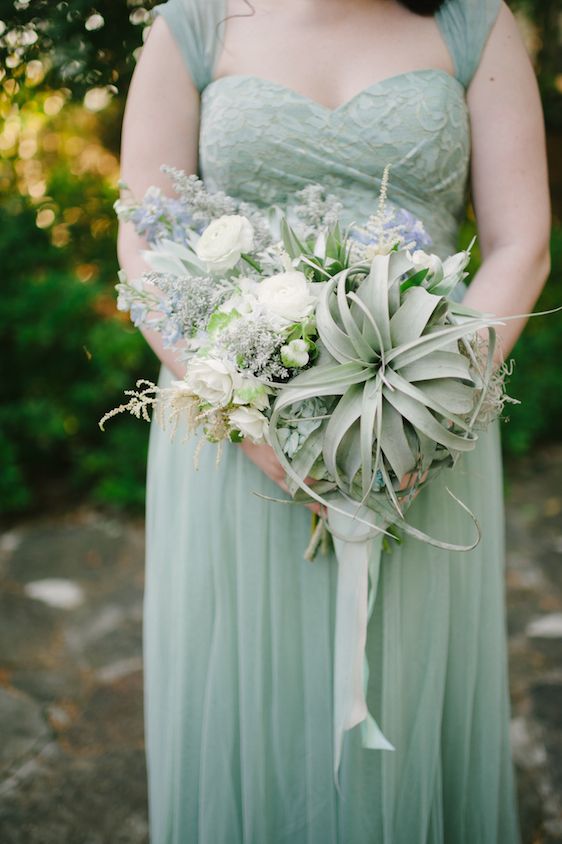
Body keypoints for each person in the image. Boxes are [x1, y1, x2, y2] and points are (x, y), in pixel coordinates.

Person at [117, 0, 551, 841]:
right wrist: (246, 413)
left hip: (425, 412)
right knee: (252, 682)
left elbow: (521, 241)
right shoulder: (192, 26)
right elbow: (145, 243)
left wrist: (428, 403)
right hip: (232, 424)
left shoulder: (474, 22)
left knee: (404, 678)